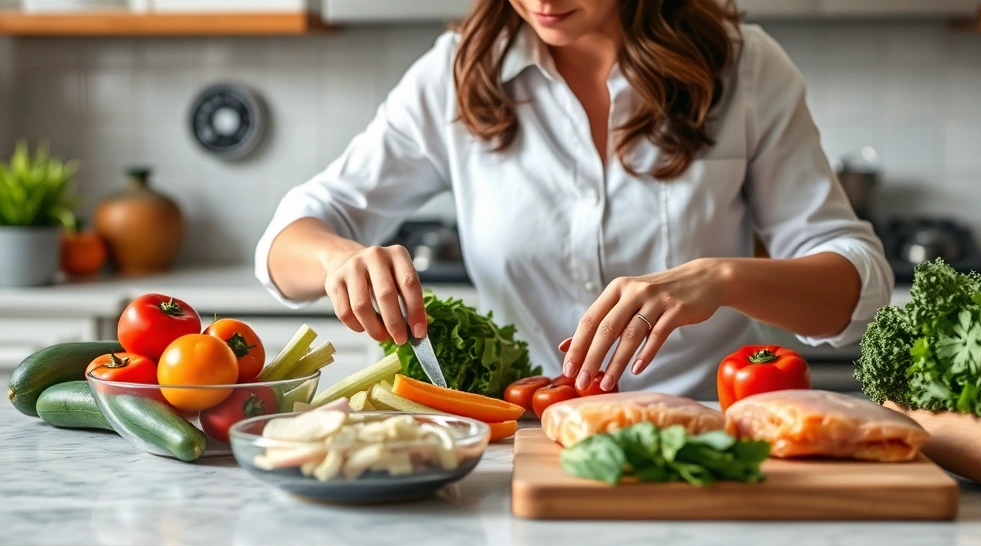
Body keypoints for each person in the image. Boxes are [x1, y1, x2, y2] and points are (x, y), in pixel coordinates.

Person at [255, 0, 893, 399]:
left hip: (709, 429)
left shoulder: (745, 68)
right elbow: (289, 239)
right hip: (531, 434)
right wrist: (339, 259)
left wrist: (721, 278)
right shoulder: (456, 74)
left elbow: (857, 284)